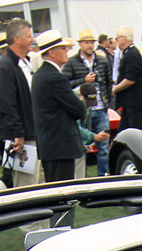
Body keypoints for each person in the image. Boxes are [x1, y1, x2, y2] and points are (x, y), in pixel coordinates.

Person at [30, 32, 89, 182]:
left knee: (54, 190)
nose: (67, 51)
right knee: (63, 193)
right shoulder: (54, 77)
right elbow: (78, 109)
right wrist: (80, 101)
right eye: (63, 48)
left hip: (50, 144)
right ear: (51, 52)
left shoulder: (39, 75)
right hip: (60, 145)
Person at [0, 19, 38, 187]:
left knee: (35, 182)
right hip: (21, 138)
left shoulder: (22, 64)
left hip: (29, 133)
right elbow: (6, 104)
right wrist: (17, 133)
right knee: (26, 185)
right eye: (29, 36)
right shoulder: (5, 67)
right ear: (17, 39)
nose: (32, 40)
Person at [65, 30, 113, 176]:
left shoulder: (103, 61)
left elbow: (108, 83)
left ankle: (103, 176)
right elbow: (65, 83)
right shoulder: (71, 62)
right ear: (80, 44)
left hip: (100, 107)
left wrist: (107, 104)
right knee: (81, 144)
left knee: (103, 146)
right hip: (82, 109)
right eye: (86, 42)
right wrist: (83, 81)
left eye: (92, 42)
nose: (90, 45)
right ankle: (82, 176)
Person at [113, 27, 142, 131]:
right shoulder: (128, 53)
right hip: (128, 101)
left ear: (123, 39)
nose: (116, 41)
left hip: (133, 101)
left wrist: (115, 89)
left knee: (134, 130)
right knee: (123, 130)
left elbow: (130, 79)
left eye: (117, 38)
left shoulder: (131, 54)